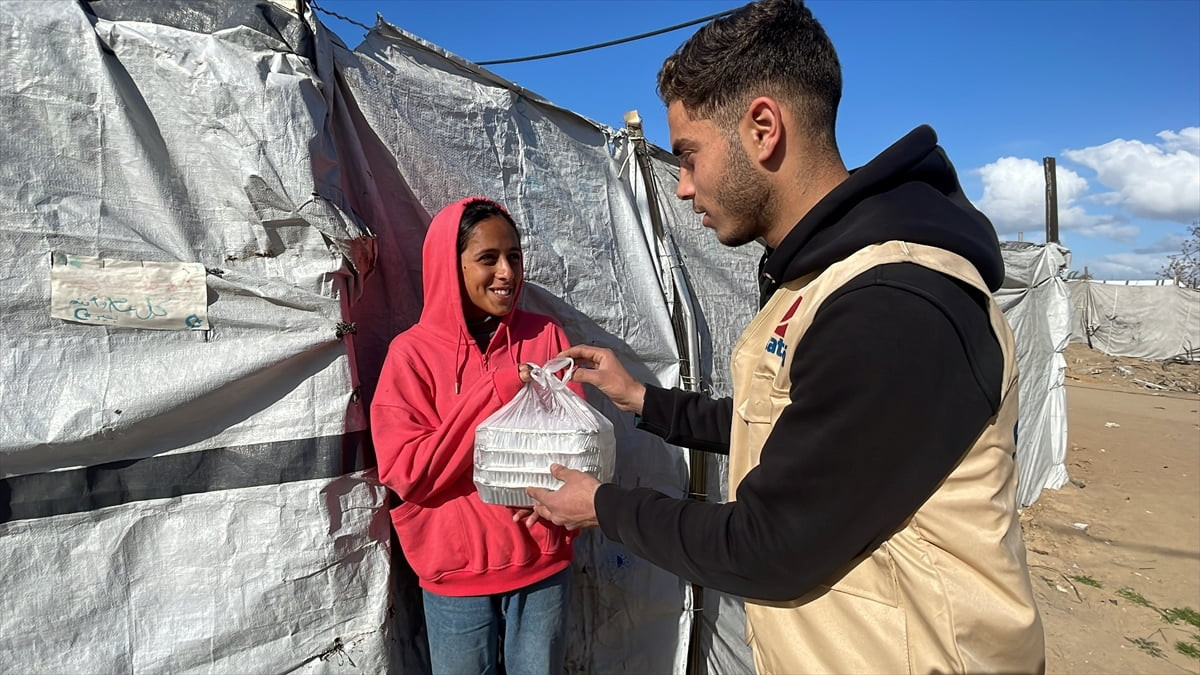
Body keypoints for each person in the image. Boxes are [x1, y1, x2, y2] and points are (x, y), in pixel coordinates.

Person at [527, 1, 1046, 672]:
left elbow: (766, 544)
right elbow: (786, 425)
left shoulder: (894, 301)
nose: (682, 187)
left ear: (763, 127)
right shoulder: (819, 279)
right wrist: (641, 400)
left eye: (688, 155)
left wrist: (603, 505)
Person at [371, 197, 582, 675]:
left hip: (542, 559)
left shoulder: (545, 335)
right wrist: (498, 392)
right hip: (455, 573)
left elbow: (575, 444)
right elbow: (408, 471)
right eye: (488, 259)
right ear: (451, 266)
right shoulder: (412, 354)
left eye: (514, 256)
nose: (506, 272)